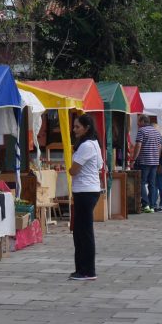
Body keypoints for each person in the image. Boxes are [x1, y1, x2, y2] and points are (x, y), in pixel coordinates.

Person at [67, 114, 103, 281]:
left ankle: (88, 270)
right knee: (79, 231)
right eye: (74, 126)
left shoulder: (87, 145)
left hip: (85, 191)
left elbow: (74, 170)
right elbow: (99, 165)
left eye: (77, 127)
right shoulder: (94, 144)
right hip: (87, 190)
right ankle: (81, 268)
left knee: (84, 232)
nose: (74, 130)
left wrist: (70, 169)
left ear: (86, 128)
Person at [130, 115, 162, 213]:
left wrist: (134, 159)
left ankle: (145, 204)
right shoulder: (157, 132)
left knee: (141, 182)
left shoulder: (142, 131)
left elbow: (138, 145)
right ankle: (152, 205)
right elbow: (159, 147)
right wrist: (156, 158)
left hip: (144, 161)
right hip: (154, 162)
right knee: (152, 184)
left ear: (143, 121)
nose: (137, 123)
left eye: (139, 121)